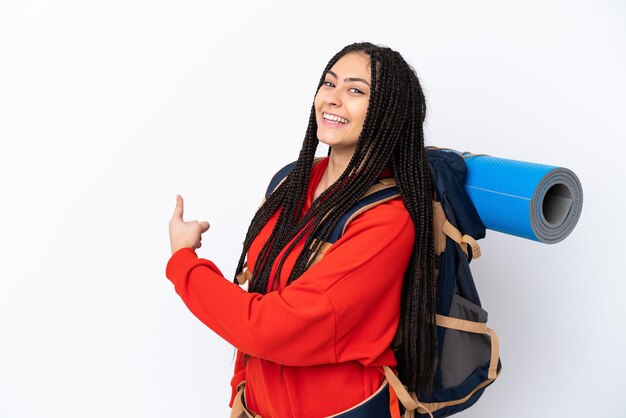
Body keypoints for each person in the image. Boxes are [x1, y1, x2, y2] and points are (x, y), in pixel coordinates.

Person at [166, 42, 437, 417]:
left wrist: (184, 263)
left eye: (355, 90)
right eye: (329, 84)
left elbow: (270, 329)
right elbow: (259, 293)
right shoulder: (291, 185)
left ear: (388, 113)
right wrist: (241, 395)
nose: (334, 99)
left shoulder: (386, 221)